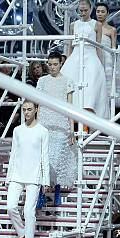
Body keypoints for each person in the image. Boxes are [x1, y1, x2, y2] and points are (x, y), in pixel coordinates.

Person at [6, 101, 50, 238]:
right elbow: (13, 154)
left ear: (36, 110)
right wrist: (9, 176)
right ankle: (22, 234)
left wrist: (45, 180)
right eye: (24, 110)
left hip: (34, 176)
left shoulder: (42, 131)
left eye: (30, 109)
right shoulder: (17, 130)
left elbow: (44, 156)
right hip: (17, 173)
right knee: (10, 206)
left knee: (29, 213)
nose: (26, 112)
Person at [36, 52, 75, 206]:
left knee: (57, 159)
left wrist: (71, 130)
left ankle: (57, 191)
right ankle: (41, 194)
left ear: (60, 64)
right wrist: (36, 125)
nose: (52, 67)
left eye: (55, 64)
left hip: (61, 124)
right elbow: (38, 105)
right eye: (50, 64)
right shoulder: (42, 81)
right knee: (43, 159)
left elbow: (70, 108)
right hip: (44, 123)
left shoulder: (68, 81)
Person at [61, 0, 108, 121]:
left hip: (91, 57)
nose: (83, 13)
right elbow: (70, 46)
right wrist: (67, 60)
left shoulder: (96, 25)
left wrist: (101, 64)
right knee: (71, 87)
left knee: (91, 89)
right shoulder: (73, 25)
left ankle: (92, 122)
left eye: (85, 10)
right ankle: (72, 121)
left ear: (90, 9)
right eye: (80, 10)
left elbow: (98, 46)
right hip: (75, 58)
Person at [95, 3, 120, 110]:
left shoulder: (112, 30)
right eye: (98, 11)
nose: (100, 14)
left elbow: (113, 47)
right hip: (94, 56)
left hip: (107, 60)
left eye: (102, 12)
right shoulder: (92, 27)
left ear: (107, 13)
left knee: (108, 87)